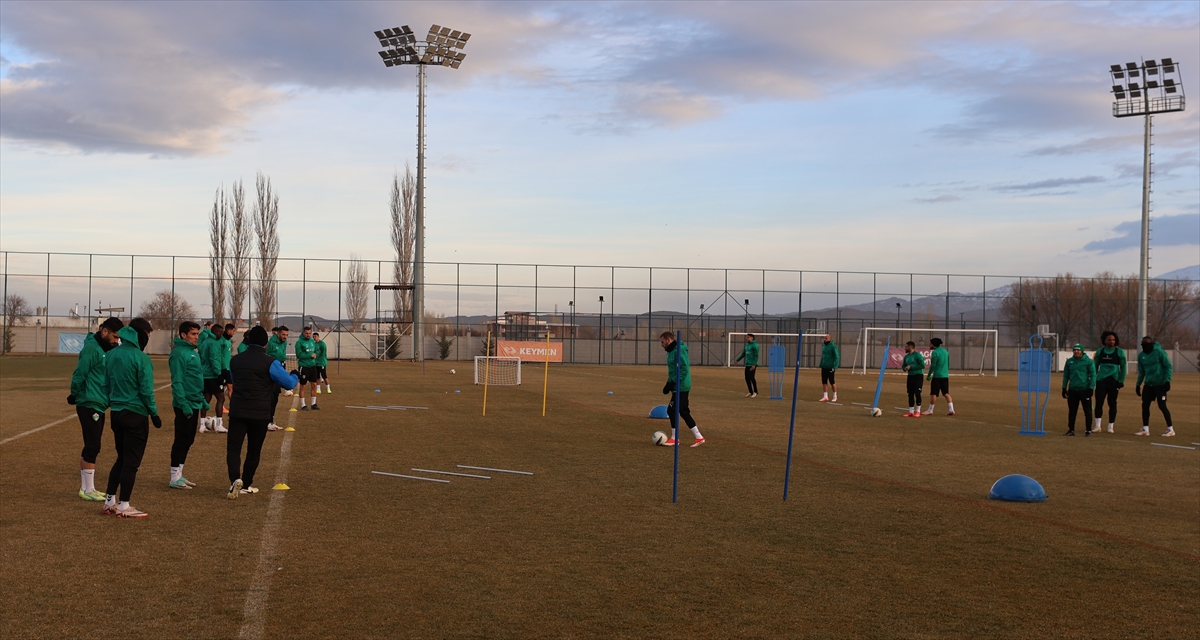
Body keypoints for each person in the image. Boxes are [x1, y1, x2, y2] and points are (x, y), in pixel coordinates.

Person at [226, 326, 298, 498]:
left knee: (234, 449)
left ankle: (235, 479)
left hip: (237, 410)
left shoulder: (235, 360)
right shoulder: (270, 361)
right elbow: (288, 383)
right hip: (259, 413)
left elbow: (234, 380)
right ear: (265, 343)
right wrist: (295, 374)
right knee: (254, 449)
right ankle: (246, 483)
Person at [102, 318, 162, 518]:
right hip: (135, 414)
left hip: (117, 413)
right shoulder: (141, 358)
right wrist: (154, 413)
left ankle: (109, 500)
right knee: (131, 462)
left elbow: (105, 384)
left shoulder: (111, 355)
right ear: (141, 334)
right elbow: (146, 391)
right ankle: (124, 505)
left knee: (121, 457)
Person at [68, 317, 124, 501]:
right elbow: (80, 373)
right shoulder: (92, 348)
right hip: (89, 402)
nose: (116, 341)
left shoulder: (106, 350)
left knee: (91, 445)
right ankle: (88, 489)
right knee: (93, 445)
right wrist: (74, 394)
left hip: (99, 402)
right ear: (104, 331)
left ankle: (86, 488)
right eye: (115, 337)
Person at [168, 321, 205, 490]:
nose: (197, 337)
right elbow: (177, 381)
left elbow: (196, 378)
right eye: (193, 334)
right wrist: (183, 403)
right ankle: (174, 477)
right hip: (185, 404)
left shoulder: (193, 353)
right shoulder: (179, 353)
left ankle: (180, 474)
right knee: (181, 439)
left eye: (197, 334)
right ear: (183, 335)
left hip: (194, 402)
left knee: (189, 439)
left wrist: (202, 399)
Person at [660, 331, 705, 447]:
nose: (661, 344)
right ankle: (699, 437)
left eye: (662, 342)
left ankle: (675, 438)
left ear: (669, 340)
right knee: (683, 411)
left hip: (682, 385)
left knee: (671, 410)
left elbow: (684, 369)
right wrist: (668, 383)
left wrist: (674, 382)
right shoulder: (670, 352)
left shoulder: (679, 351)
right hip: (676, 385)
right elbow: (673, 370)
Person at [1134, 336, 1174, 437]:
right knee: (1145, 405)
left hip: (1160, 384)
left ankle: (1170, 429)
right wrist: (1138, 384)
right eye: (1143, 345)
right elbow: (1141, 372)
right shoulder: (1141, 356)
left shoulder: (1159, 352)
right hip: (1148, 384)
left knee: (1162, 406)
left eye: (1147, 344)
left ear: (1152, 344)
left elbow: (1168, 366)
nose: (1145, 346)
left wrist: (1167, 381)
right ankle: (1145, 429)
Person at [1092, 331, 1126, 434]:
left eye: (1113, 340)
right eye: (1109, 340)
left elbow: (1123, 367)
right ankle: (1098, 426)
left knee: (1112, 404)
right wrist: (1094, 379)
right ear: (1104, 341)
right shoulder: (1100, 352)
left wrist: (1121, 380)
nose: (1111, 341)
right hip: (1101, 381)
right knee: (1099, 403)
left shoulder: (1119, 352)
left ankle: (1110, 426)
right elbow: (1095, 366)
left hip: (1113, 381)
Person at [1061, 344, 1095, 437]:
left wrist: (1091, 388)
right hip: (1073, 390)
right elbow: (1066, 375)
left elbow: (1093, 375)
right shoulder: (1069, 362)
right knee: (1072, 411)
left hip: (1084, 389)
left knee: (1087, 411)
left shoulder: (1088, 362)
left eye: (1078, 350)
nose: (1076, 351)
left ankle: (1088, 430)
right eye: (1075, 350)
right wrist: (1064, 388)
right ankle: (1071, 429)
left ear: (1082, 351)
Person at [199, 323, 228, 433]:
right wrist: (219, 374)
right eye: (220, 332)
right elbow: (214, 359)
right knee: (221, 398)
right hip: (212, 374)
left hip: (204, 374)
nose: (221, 334)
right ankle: (219, 424)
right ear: (215, 331)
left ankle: (202, 425)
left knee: (206, 399)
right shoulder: (214, 342)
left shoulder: (206, 341)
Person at [923, 338, 955, 416]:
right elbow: (948, 363)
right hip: (945, 375)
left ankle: (930, 410)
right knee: (946, 393)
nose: (929, 345)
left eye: (930, 344)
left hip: (937, 376)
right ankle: (951, 409)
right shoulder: (945, 351)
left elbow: (933, 365)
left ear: (933, 345)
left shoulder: (935, 353)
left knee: (933, 393)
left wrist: (929, 375)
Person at [266, 326, 290, 429]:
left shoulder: (284, 343)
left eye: (287, 335)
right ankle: (266, 421)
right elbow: (265, 356)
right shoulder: (271, 343)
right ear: (278, 334)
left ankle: (271, 420)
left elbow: (282, 356)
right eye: (283, 334)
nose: (285, 337)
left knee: (275, 396)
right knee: (269, 396)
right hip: (271, 369)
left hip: (280, 367)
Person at [294, 326, 320, 410]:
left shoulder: (312, 341)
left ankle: (313, 404)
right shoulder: (299, 342)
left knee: (314, 385)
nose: (308, 335)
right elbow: (299, 355)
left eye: (309, 333)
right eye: (306, 333)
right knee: (303, 386)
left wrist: (314, 356)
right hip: (304, 367)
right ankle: (303, 405)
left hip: (312, 366)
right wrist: (310, 355)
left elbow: (314, 352)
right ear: (303, 333)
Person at [901, 341, 924, 418]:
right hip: (910, 376)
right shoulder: (906, 357)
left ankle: (918, 411)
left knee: (917, 393)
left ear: (911, 347)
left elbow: (922, 365)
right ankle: (911, 411)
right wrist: (905, 368)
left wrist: (912, 367)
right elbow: (903, 366)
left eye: (906, 346)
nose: (905, 348)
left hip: (918, 376)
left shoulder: (918, 355)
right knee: (910, 393)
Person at [734, 333, 759, 397]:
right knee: (747, 378)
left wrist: (754, 364)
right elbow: (743, 354)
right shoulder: (747, 345)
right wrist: (737, 360)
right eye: (746, 337)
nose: (746, 338)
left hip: (752, 364)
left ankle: (755, 392)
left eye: (748, 337)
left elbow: (756, 356)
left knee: (751, 377)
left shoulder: (755, 346)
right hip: (747, 364)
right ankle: (750, 391)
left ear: (752, 338)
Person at [819, 334, 839, 402]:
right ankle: (825, 396)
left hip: (830, 367)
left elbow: (837, 356)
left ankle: (835, 396)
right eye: (824, 338)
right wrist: (821, 364)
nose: (825, 339)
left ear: (830, 339)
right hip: (824, 366)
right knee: (824, 381)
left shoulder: (833, 346)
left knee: (832, 381)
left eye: (826, 338)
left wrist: (834, 366)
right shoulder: (824, 346)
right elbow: (823, 356)